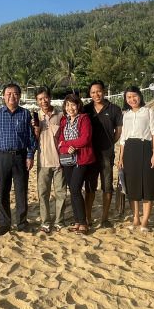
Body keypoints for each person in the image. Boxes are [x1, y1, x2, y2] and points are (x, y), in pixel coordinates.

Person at [0, 83, 37, 235]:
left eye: (15, 93)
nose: (11, 96)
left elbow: (31, 138)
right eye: (8, 93)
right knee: (3, 190)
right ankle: (4, 223)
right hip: (2, 156)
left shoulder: (25, 114)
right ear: (4, 96)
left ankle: (22, 222)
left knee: (21, 191)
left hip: (20, 156)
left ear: (19, 96)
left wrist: (30, 156)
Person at [118, 86, 154, 232]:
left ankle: (145, 221)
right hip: (129, 150)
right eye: (128, 97)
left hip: (145, 148)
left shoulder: (149, 112)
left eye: (134, 96)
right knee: (132, 185)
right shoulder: (126, 115)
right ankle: (135, 218)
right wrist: (121, 158)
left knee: (147, 185)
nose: (132, 99)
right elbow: (123, 138)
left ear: (140, 96)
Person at [84, 80, 123, 228]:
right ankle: (88, 219)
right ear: (90, 94)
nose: (96, 94)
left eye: (98, 91)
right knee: (90, 187)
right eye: (93, 92)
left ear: (104, 91)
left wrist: (110, 143)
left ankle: (105, 218)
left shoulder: (114, 109)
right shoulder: (86, 109)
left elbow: (118, 130)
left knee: (107, 187)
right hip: (89, 154)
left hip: (107, 153)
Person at [58, 93, 95, 235]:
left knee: (75, 190)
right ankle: (77, 220)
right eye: (67, 105)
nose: (70, 108)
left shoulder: (84, 118)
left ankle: (83, 222)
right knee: (73, 191)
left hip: (81, 158)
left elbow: (85, 138)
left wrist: (69, 144)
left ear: (78, 105)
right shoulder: (64, 120)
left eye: (73, 104)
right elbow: (60, 140)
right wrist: (67, 147)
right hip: (67, 159)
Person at [32, 86, 67, 234]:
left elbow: (66, 136)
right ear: (37, 101)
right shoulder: (35, 117)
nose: (43, 101)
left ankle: (59, 221)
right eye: (40, 99)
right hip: (43, 162)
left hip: (59, 161)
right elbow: (33, 141)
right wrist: (36, 130)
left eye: (45, 97)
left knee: (61, 193)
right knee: (43, 194)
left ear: (50, 97)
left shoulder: (60, 115)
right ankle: (46, 222)